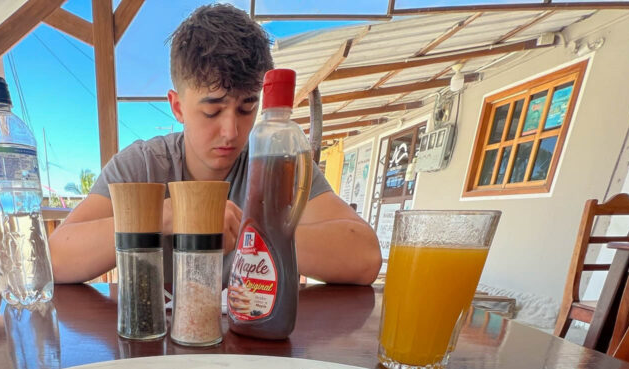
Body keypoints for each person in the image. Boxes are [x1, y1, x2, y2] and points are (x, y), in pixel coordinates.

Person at [49, 4, 381, 286]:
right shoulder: (143, 164)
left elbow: (364, 256)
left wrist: (252, 237)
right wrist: (169, 215)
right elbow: (56, 257)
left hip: (250, 340)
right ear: (177, 107)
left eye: (247, 108)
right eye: (212, 111)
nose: (231, 131)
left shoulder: (274, 166)